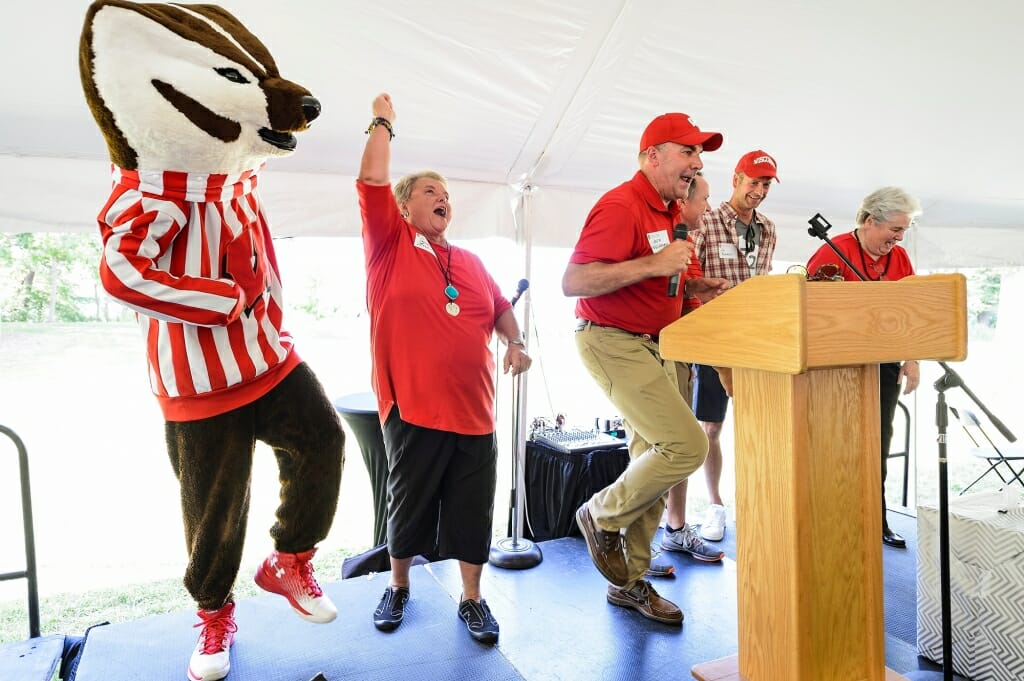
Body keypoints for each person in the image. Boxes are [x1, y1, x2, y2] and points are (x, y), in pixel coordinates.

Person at [357, 92, 532, 643]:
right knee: (407, 506)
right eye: (431, 191)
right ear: (404, 206)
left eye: (447, 195)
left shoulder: (473, 262)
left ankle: (473, 600)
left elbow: (500, 307)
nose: (443, 199)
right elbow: (371, 182)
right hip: (413, 407)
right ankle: (399, 585)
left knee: (471, 513)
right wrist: (384, 122)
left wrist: (515, 343)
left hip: (476, 413)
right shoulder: (389, 245)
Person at [563, 112, 730, 625]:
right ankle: (601, 514)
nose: (697, 164)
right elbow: (575, 281)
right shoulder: (620, 205)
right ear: (652, 155)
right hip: (612, 341)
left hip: (661, 343)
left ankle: (628, 582)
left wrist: (694, 288)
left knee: (655, 459)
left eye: (698, 155)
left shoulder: (671, 212)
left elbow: (668, 279)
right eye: (688, 152)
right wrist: (654, 267)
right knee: (686, 445)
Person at [806, 186, 922, 548]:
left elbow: (912, 310)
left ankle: (876, 519)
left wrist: (912, 358)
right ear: (871, 220)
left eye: (904, 231)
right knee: (835, 446)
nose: (899, 238)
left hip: (882, 367)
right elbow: (808, 310)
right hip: (834, 369)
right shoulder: (832, 250)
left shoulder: (900, 259)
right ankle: (829, 521)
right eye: (894, 229)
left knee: (877, 444)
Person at [684, 150, 779, 544]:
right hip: (715, 340)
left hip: (757, 341)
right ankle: (715, 506)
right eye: (753, 182)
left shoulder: (769, 229)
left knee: (762, 427)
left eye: (766, 185)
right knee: (711, 427)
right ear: (736, 179)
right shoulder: (705, 219)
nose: (758, 191)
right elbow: (690, 275)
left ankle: (761, 503)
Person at [658, 174, 726, 563]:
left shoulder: (687, 243)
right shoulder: (652, 231)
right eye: (704, 201)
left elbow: (688, 295)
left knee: (684, 442)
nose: (707, 209)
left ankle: (676, 527)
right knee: (664, 445)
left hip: (682, 352)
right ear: (683, 201)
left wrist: (699, 289)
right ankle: (630, 537)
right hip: (648, 350)